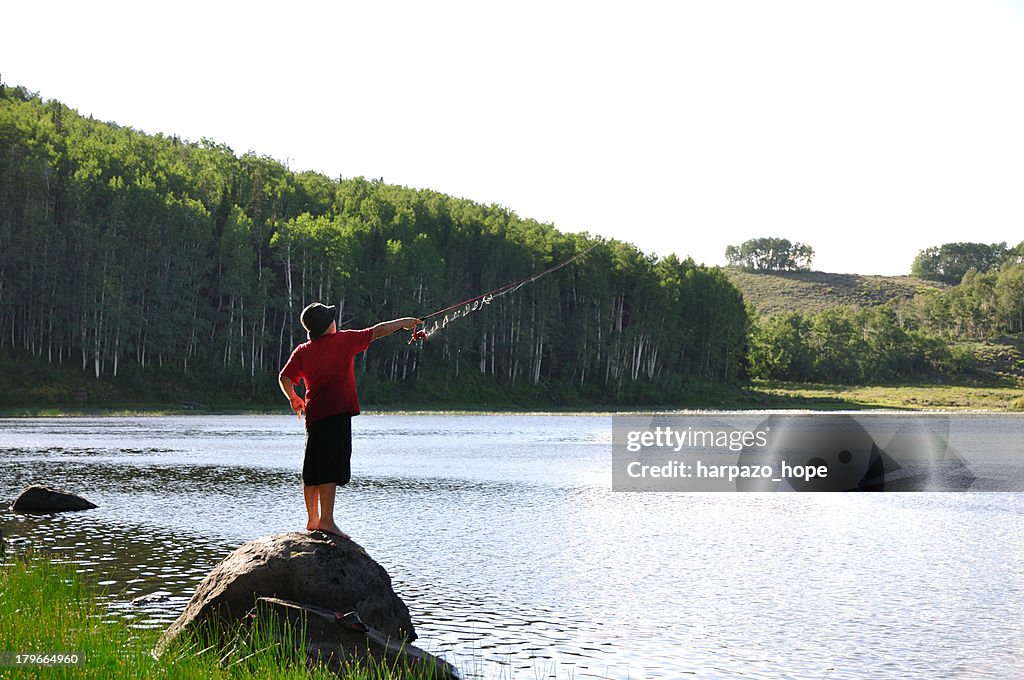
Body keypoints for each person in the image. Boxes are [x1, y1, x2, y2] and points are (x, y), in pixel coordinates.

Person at [278, 302, 420, 538]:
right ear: (328, 325)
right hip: (336, 415)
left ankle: (312, 519)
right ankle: (327, 521)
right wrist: (403, 322)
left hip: (314, 418)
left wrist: (293, 398)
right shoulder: (343, 341)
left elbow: (284, 377)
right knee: (330, 469)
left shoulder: (302, 351)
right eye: (332, 318)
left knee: (312, 468)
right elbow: (378, 330)